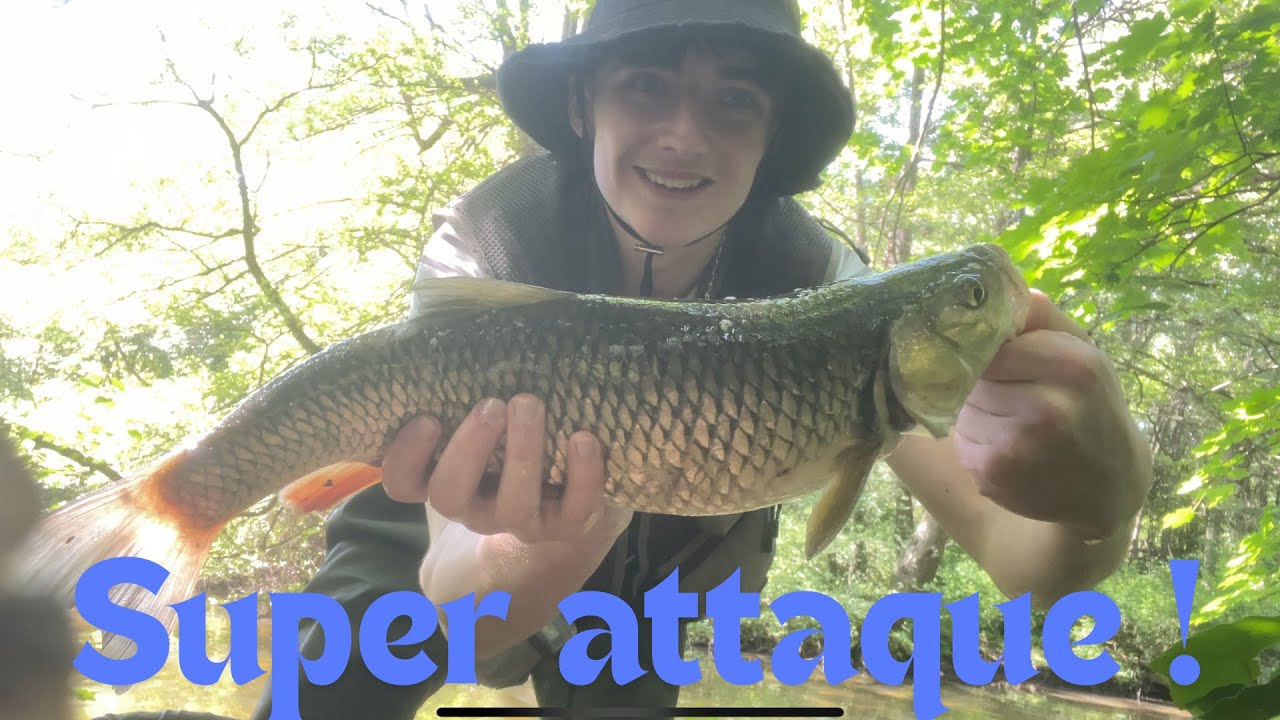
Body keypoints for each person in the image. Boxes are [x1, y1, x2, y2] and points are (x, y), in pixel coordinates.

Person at [251, 0, 1154, 717]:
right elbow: (461, 610)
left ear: (770, 134)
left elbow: (1020, 557)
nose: (685, 133)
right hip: (453, 514)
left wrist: (1105, 504)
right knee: (333, 679)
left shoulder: (830, 285)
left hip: (665, 564)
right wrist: (545, 532)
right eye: (645, 85)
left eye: (735, 100)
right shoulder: (493, 236)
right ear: (581, 106)